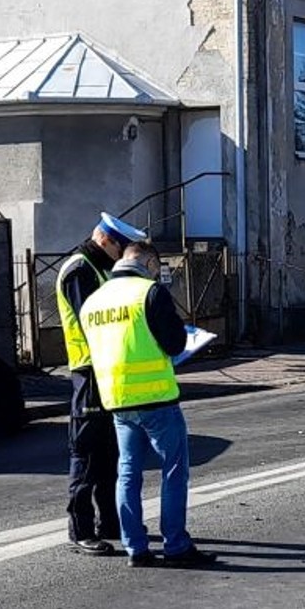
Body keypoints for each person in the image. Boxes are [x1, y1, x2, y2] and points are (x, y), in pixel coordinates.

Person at [79, 239, 214, 568]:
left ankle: (135, 548)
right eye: (158, 269)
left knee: (127, 473)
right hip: (157, 398)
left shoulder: (92, 303)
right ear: (150, 264)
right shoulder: (150, 293)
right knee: (173, 471)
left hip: (118, 401)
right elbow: (174, 343)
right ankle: (176, 545)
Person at [53, 213, 140, 556]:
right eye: (120, 248)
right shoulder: (80, 270)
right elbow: (95, 320)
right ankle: (81, 530)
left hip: (107, 369)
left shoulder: (99, 268)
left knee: (109, 453)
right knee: (87, 452)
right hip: (88, 370)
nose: (121, 256)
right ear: (106, 239)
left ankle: (110, 523)